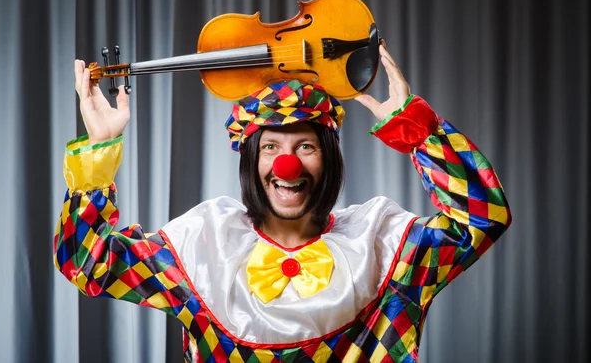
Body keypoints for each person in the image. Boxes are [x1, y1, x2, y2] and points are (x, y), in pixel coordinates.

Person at [54, 43, 511, 363]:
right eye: (270, 147)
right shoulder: (201, 247)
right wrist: (101, 147)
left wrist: (416, 129)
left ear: (328, 159)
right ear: (251, 161)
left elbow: (482, 217)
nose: (287, 164)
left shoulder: (386, 246)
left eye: (306, 147)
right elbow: (86, 261)